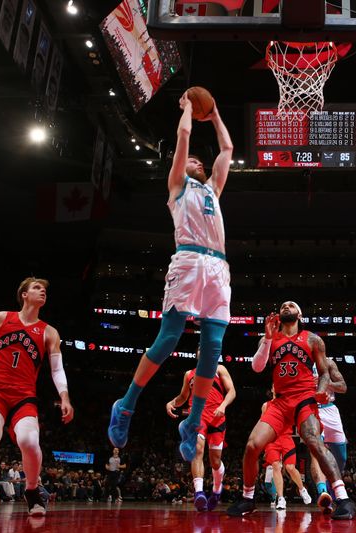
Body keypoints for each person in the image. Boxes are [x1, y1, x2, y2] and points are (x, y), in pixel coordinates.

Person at [109, 89, 234, 463]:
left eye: (198, 159)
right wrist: (185, 110)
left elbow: (226, 151)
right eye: (190, 159)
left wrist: (213, 116)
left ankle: (192, 422)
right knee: (168, 339)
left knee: (211, 350)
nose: (195, 160)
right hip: (189, 260)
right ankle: (126, 404)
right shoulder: (177, 186)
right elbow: (183, 138)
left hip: (217, 268)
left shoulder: (213, 188)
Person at [227, 302, 356, 519]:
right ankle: (248, 498)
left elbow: (324, 373)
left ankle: (343, 499)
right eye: (283, 305)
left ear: (300, 314)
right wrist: (268, 338)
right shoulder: (270, 337)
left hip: (304, 398)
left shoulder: (313, 339)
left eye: (291, 305)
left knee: (313, 440)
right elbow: (257, 367)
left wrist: (323, 390)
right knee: (252, 446)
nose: (286, 307)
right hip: (280, 401)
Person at [0, 277, 74, 515]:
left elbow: (57, 369)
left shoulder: (49, 332)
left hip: (23, 395)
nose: (43, 292)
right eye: (37, 288)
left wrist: (64, 397)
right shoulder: (1, 318)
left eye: (45, 289)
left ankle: (33, 490)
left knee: (28, 440)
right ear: (24, 294)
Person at [166, 361, 235, 511]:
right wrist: (172, 402)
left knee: (215, 461)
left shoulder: (219, 368)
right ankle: (199, 493)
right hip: (197, 417)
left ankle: (217, 491)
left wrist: (223, 406)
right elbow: (183, 396)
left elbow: (232, 391)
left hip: (217, 417)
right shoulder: (189, 374)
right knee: (197, 449)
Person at [309, 357, 347, 511]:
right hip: (310, 410)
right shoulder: (300, 362)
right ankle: (322, 492)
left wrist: (324, 382)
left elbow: (343, 387)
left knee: (341, 459)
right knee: (317, 452)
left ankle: (332, 490)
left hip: (330, 409)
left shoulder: (328, 363)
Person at [261, 394, 312, 510]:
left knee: (290, 467)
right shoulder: (266, 405)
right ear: (273, 389)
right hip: (272, 439)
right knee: (275, 466)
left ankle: (302, 489)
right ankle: (281, 498)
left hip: (286, 438)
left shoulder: (290, 404)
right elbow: (263, 425)